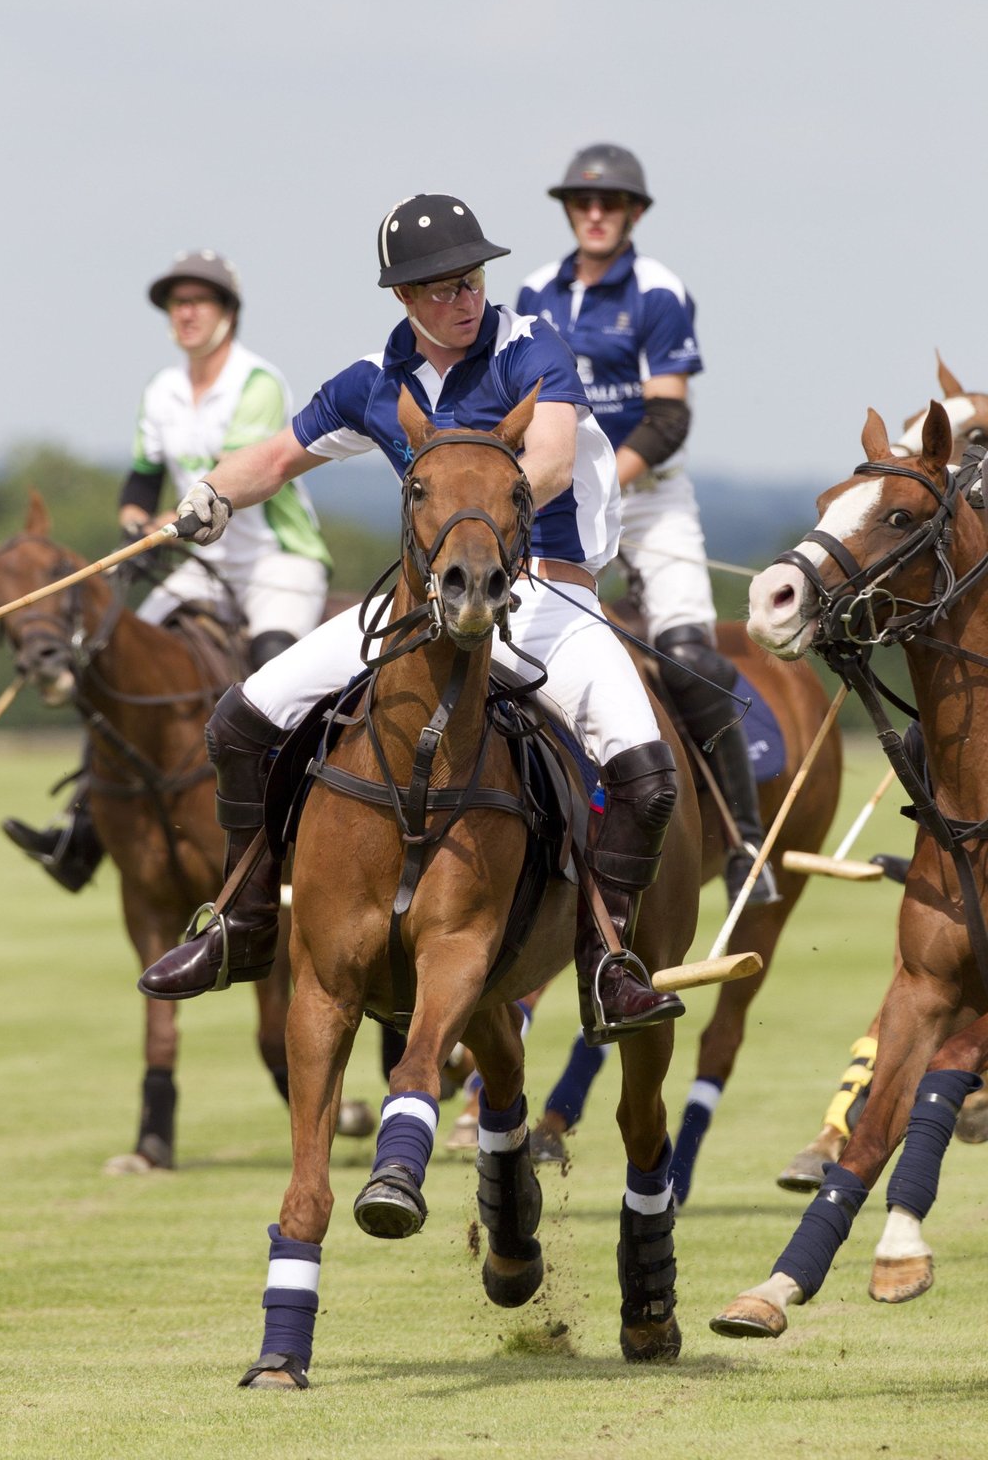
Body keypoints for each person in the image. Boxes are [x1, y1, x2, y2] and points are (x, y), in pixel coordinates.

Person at [138, 193, 685, 1046]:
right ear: (402, 298)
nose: (462, 300)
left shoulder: (531, 347)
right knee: (240, 722)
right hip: (416, 606)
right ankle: (242, 927)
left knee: (648, 775)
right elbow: (278, 456)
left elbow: (543, 459)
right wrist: (211, 495)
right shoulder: (374, 379)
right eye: (439, 289)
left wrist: (479, 513)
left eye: (470, 281)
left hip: (543, 591)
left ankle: (608, 964)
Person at [3, 249, 332, 892]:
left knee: (276, 670)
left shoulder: (256, 381)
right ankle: (79, 828)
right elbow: (144, 472)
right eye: (176, 303)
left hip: (276, 562)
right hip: (199, 561)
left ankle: (298, 828)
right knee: (108, 654)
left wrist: (167, 519)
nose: (184, 313)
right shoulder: (162, 391)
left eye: (198, 301)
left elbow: (238, 469)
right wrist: (134, 517)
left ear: (227, 313)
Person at [516, 144, 778, 909]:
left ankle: (745, 843)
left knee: (690, 653)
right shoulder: (533, 292)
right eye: (583, 203)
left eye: (612, 204)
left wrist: (604, 482)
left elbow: (667, 418)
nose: (596, 214)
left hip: (650, 496)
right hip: (555, 500)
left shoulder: (659, 292)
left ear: (633, 213)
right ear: (569, 210)